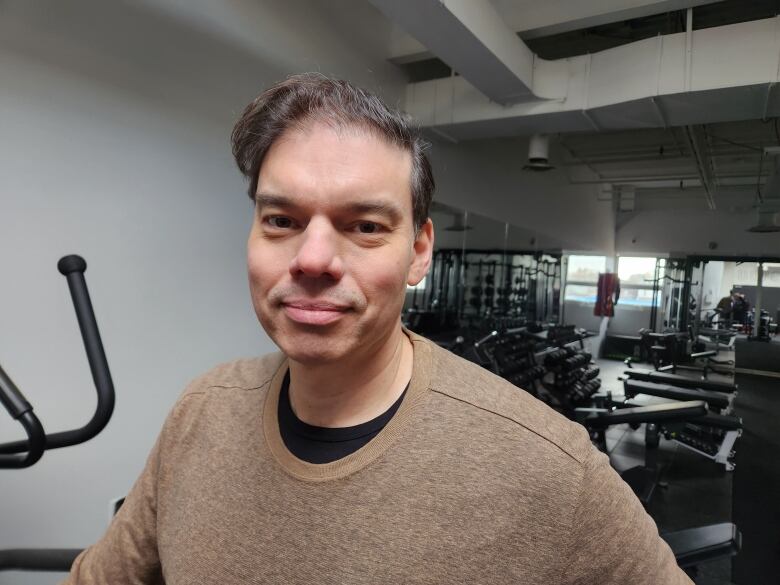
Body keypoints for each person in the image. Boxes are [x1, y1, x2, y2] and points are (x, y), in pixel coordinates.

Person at [63, 74, 692, 584]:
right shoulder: (203, 411)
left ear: (419, 251)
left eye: (365, 226)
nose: (312, 259)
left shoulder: (546, 467)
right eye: (281, 219)